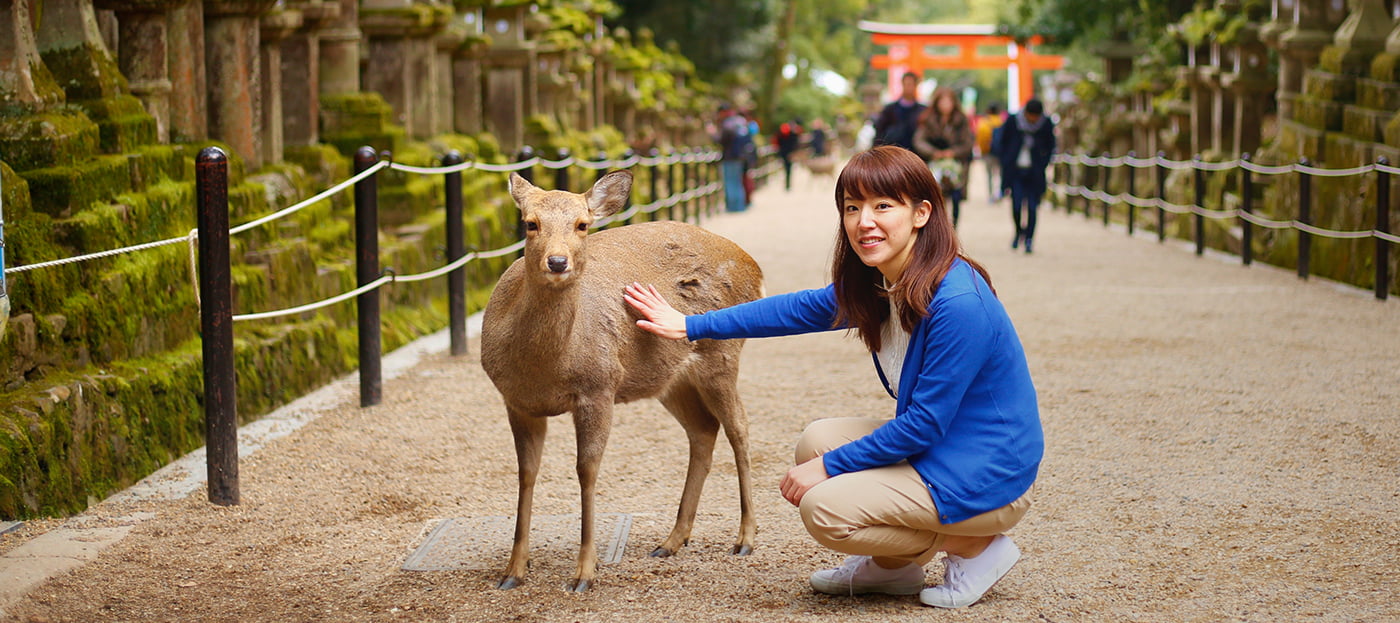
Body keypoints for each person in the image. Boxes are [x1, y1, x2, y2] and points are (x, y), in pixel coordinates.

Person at [624, 146, 1043, 610]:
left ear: (922, 213)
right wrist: (689, 324)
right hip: (948, 450)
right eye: (852, 207)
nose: (865, 221)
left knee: (824, 506)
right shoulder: (883, 283)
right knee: (817, 440)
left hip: (989, 472)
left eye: (883, 206)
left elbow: (924, 425)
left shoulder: (957, 302)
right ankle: (892, 568)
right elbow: (793, 310)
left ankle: (978, 548)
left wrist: (828, 469)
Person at [994, 99, 1056, 253]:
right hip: (1015, 171)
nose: (1033, 120)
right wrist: (1006, 160)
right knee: (1016, 205)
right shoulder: (1013, 121)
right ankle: (1018, 231)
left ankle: (1029, 239)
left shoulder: (1046, 124)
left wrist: (1043, 162)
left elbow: (1051, 145)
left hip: (1034, 171)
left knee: (1033, 207)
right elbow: (1001, 142)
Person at [912, 87, 975, 227]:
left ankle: (954, 228)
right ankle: (941, 228)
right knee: (937, 198)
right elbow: (919, 140)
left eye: (948, 101)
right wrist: (934, 153)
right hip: (935, 164)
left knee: (956, 198)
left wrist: (953, 152)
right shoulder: (928, 119)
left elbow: (968, 143)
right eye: (943, 101)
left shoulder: (961, 120)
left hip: (956, 166)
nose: (945, 105)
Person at [712, 103, 752, 212]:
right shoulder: (740, 122)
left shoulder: (728, 123)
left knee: (730, 182)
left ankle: (733, 207)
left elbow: (721, 140)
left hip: (730, 157)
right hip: (741, 156)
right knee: (737, 182)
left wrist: (712, 133)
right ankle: (739, 206)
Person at [873, 72, 925, 151]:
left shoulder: (922, 110)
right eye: (907, 84)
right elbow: (880, 131)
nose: (909, 87)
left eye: (911, 84)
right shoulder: (889, 109)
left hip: (915, 152)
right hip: (893, 151)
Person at [975, 103, 1005, 201]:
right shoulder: (1002, 121)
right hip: (1000, 152)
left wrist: (983, 150)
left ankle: (991, 195)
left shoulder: (984, 122)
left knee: (989, 175)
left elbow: (981, 138)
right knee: (1000, 174)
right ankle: (1000, 193)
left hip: (988, 152)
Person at [775, 118, 804, 191]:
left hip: (783, 151)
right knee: (788, 169)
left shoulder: (785, 130)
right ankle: (787, 185)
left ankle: (787, 184)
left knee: (787, 168)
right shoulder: (792, 132)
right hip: (788, 152)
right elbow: (795, 143)